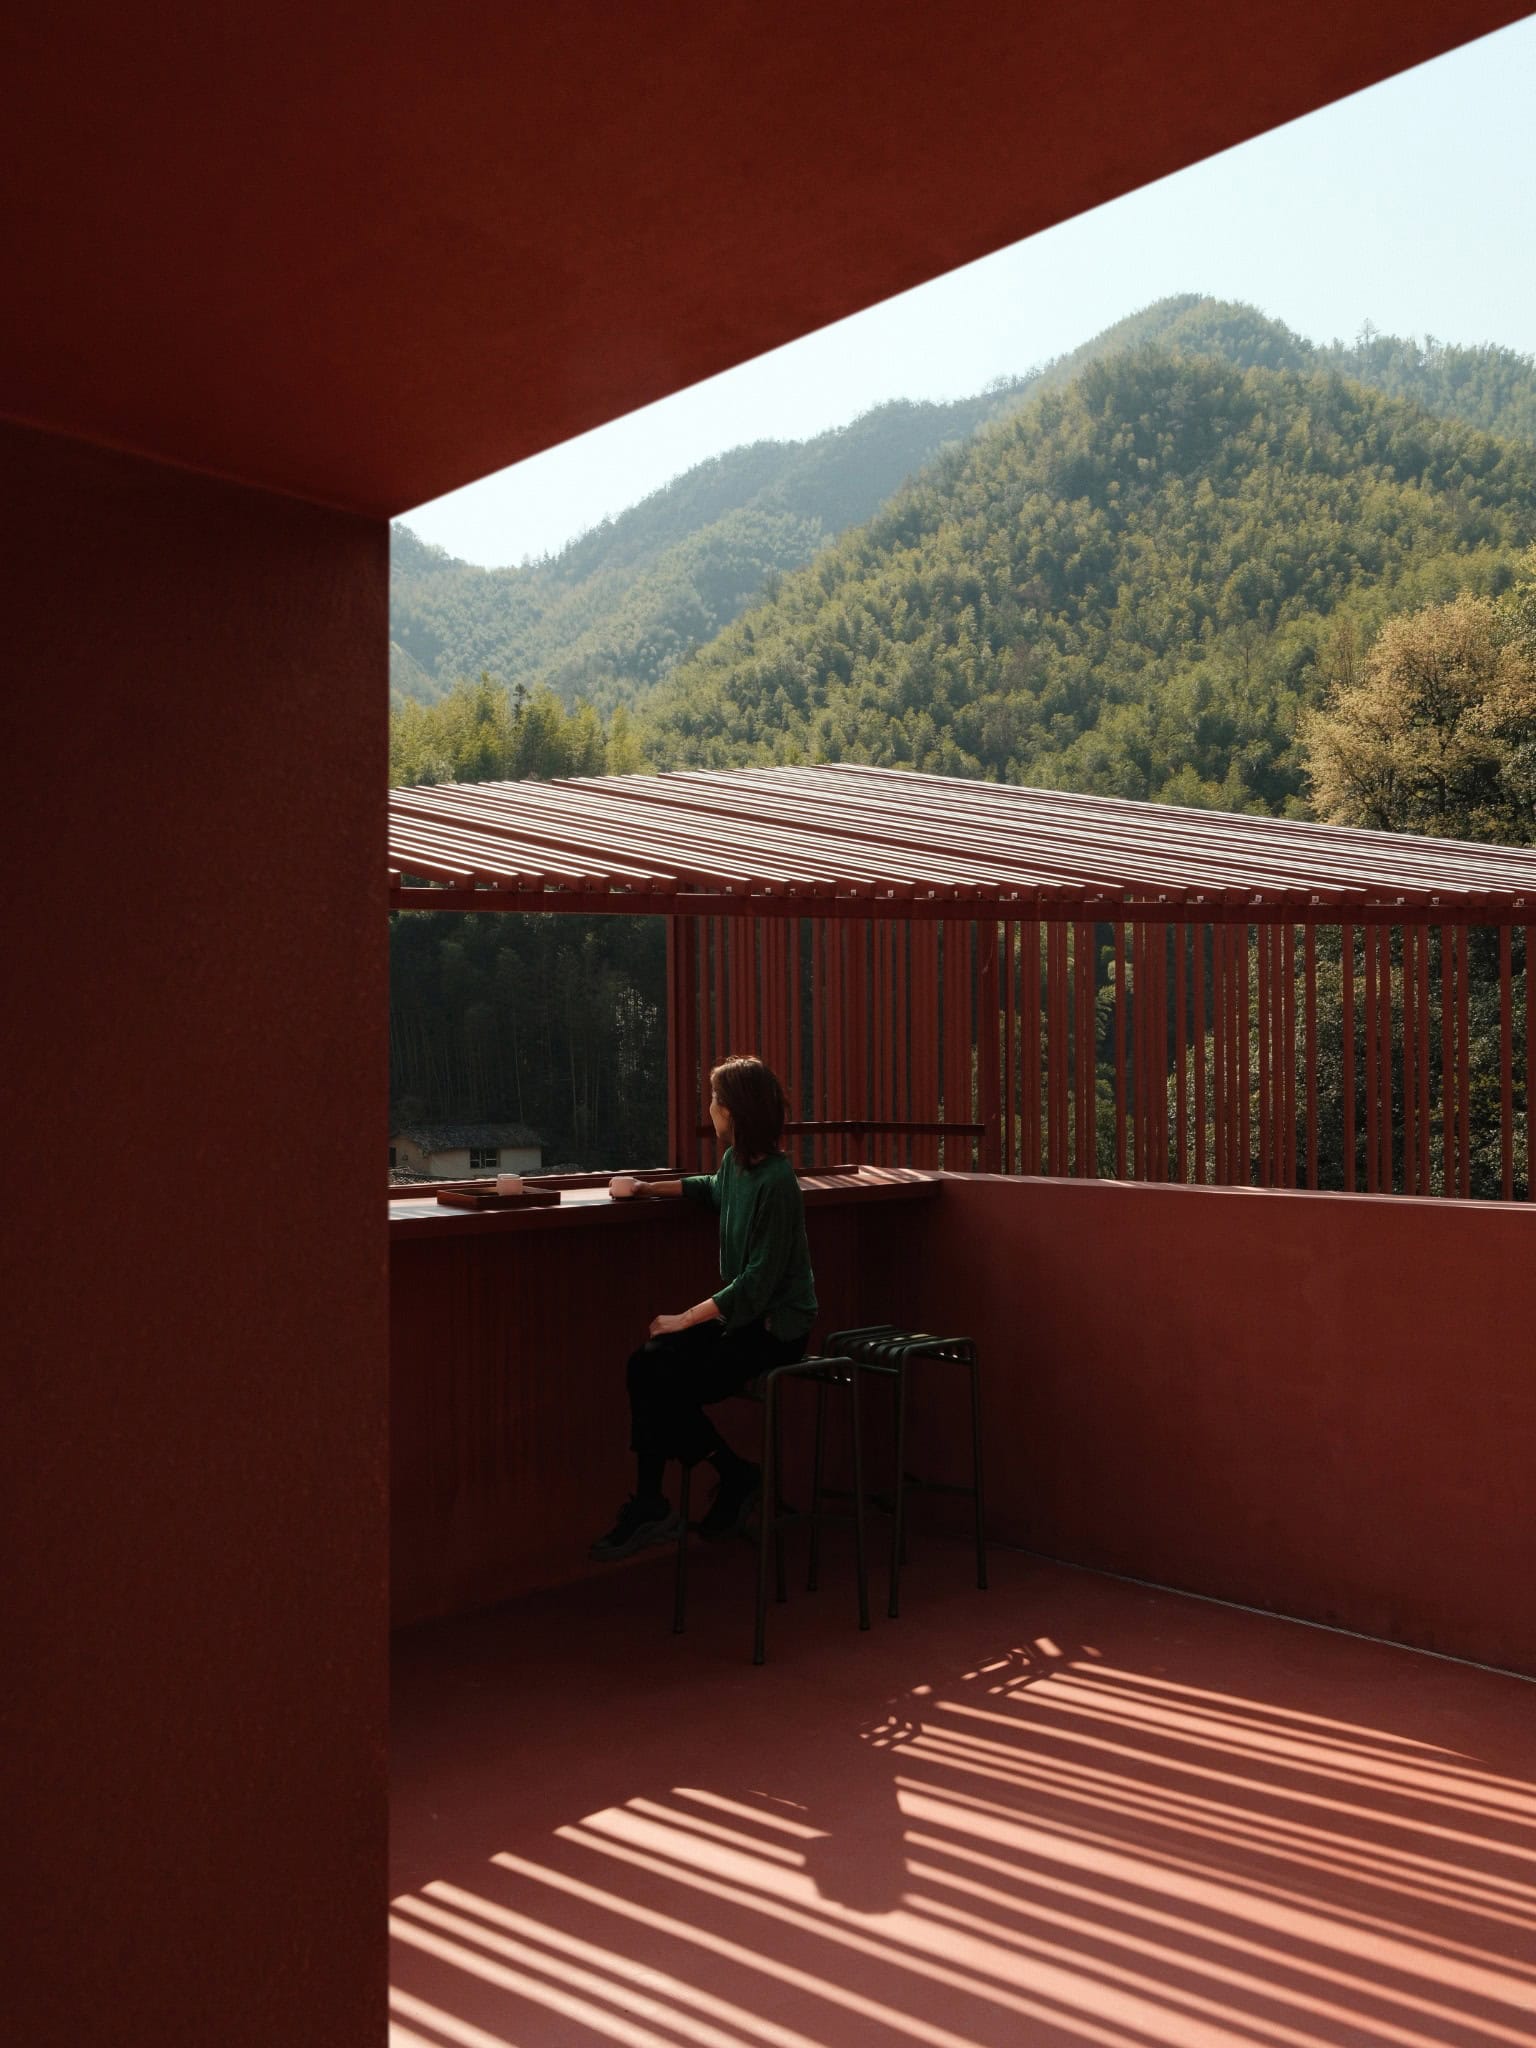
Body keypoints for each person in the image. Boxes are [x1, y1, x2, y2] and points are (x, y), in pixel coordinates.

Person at [589, 1053, 818, 1560]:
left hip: (774, 1330)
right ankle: (709, 1482)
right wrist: (645, 1188)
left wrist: (684, 1318)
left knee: (665, 1381)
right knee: (646, 1362)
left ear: (735, 1111)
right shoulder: (735, 1165)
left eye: (715, 1100)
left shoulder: (779, 1183)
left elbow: (758, 1284)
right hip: (742, 1322)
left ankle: (694, 1491)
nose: (710, 1108)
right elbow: (711, 1189)